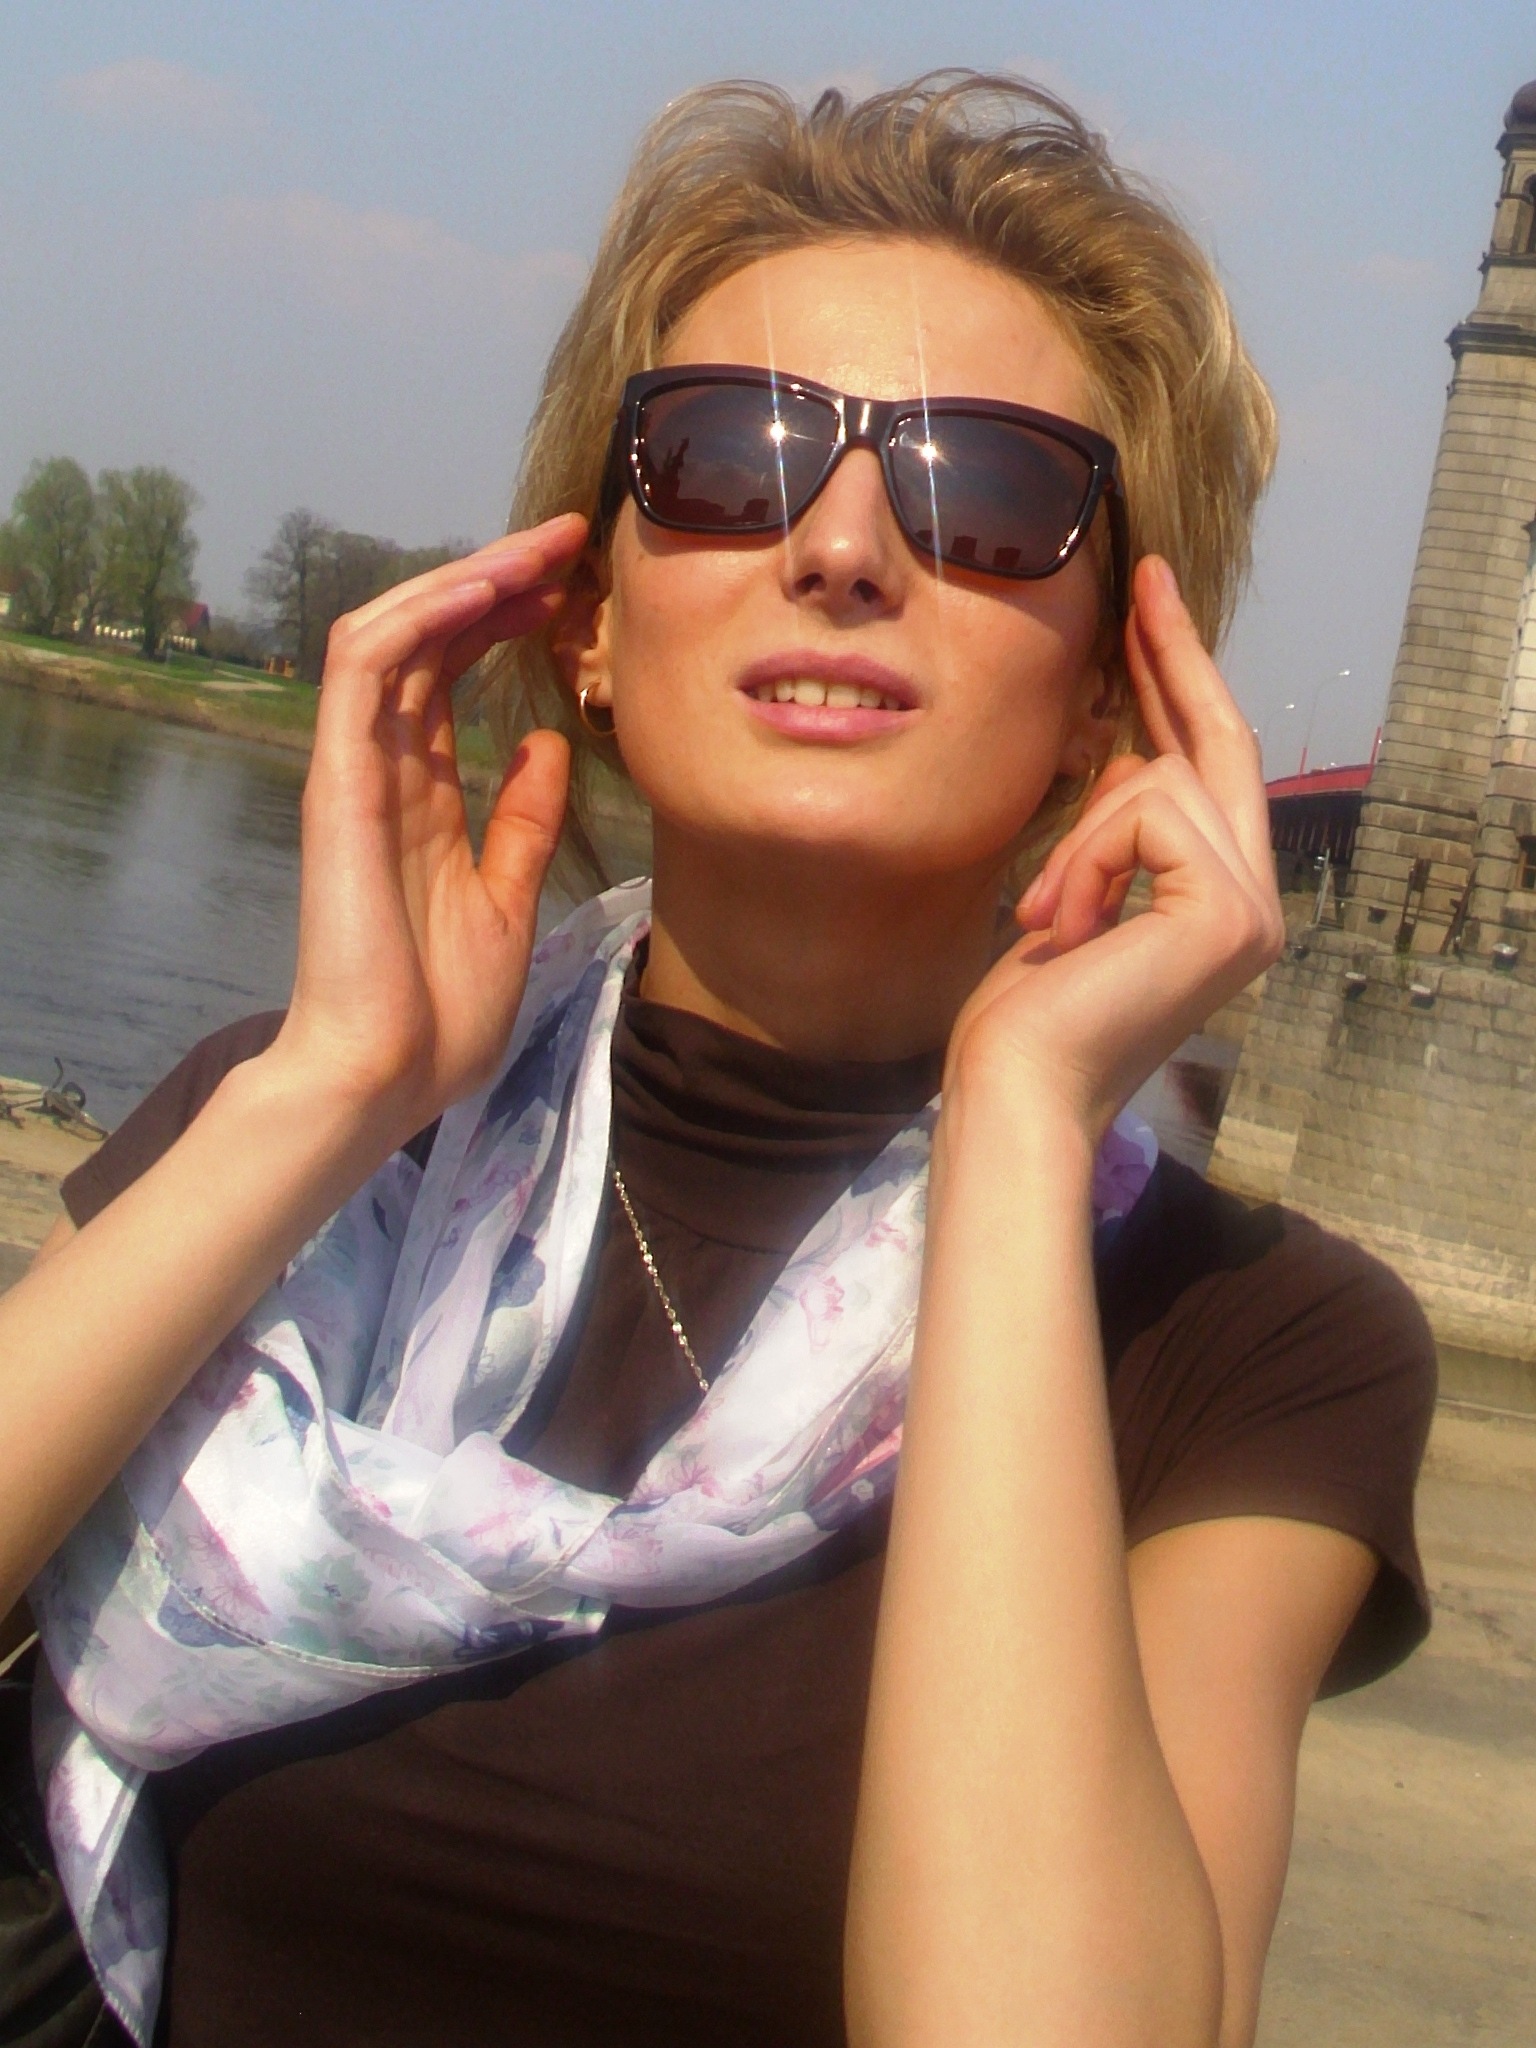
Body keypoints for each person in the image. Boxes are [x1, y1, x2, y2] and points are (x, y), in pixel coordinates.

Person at [0, 73, 1434, 2048]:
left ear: (1116, 686)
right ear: (589, 616)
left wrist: (1019, 1128)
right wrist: (333, 1085)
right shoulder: (305, 1136)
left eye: (985, 492)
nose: (841, 545)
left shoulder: (1252, 1348)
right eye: (726, 458)